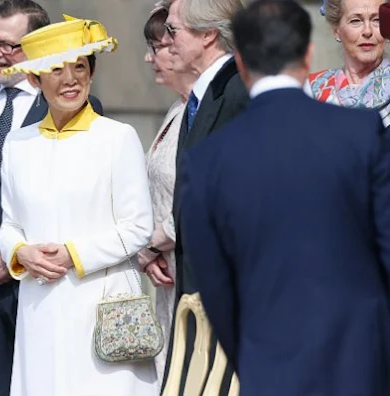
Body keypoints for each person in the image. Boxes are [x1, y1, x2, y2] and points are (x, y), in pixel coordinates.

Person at [179, 0, 390, 394]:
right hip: (361, 358)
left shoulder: (206, 161)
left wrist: (253, 354)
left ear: (239, 62)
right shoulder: (362, 133)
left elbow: (214, 283)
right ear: (309, 54)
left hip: (269, 362)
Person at [0, 1, 102, 395]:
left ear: (38, 47)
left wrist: (17, 256)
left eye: (9, 45)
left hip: (46, 285)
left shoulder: (74, 108)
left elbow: (79, 195)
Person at [0, 15, 158, 396]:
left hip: (102, 308)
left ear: (91, 73)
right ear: (35, 79)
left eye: (80, 67)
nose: (70, 79)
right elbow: (9, 223)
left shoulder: (117, 138)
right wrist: (20, 252)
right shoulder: (17, 144)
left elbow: (138, 227)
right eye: (56, 69)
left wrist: (72, 254)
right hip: (38, 307)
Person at [160, 0, 248, 389]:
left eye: (174, 31)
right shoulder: (202, 95)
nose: (166, 41)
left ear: (208, 34)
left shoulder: (239, 90)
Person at [137, 0, 196, 385]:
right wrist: (146, 249)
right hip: (166, 275)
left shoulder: (205, 111)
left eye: (157, 47)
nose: (149, 58)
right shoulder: (176, 110)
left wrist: (161, 239)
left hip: (193, 272)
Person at [309, 0, 390, 129]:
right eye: (355, 21)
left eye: (377, 20)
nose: (367, 31)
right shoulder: (312, 89)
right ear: (336, 30)